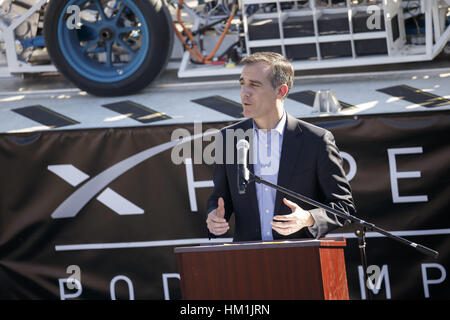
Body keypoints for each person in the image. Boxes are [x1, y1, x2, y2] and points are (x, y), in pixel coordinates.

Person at [206, 52, 355, 242]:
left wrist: (308, 218)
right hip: (247, 260)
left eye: (255, 84)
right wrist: (215, 217)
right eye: (242, 83)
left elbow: (343, 206)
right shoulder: (228, 138)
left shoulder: (316, 140)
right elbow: (220, 197)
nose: (245, 92)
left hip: (300, 258)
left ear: (281, 91)